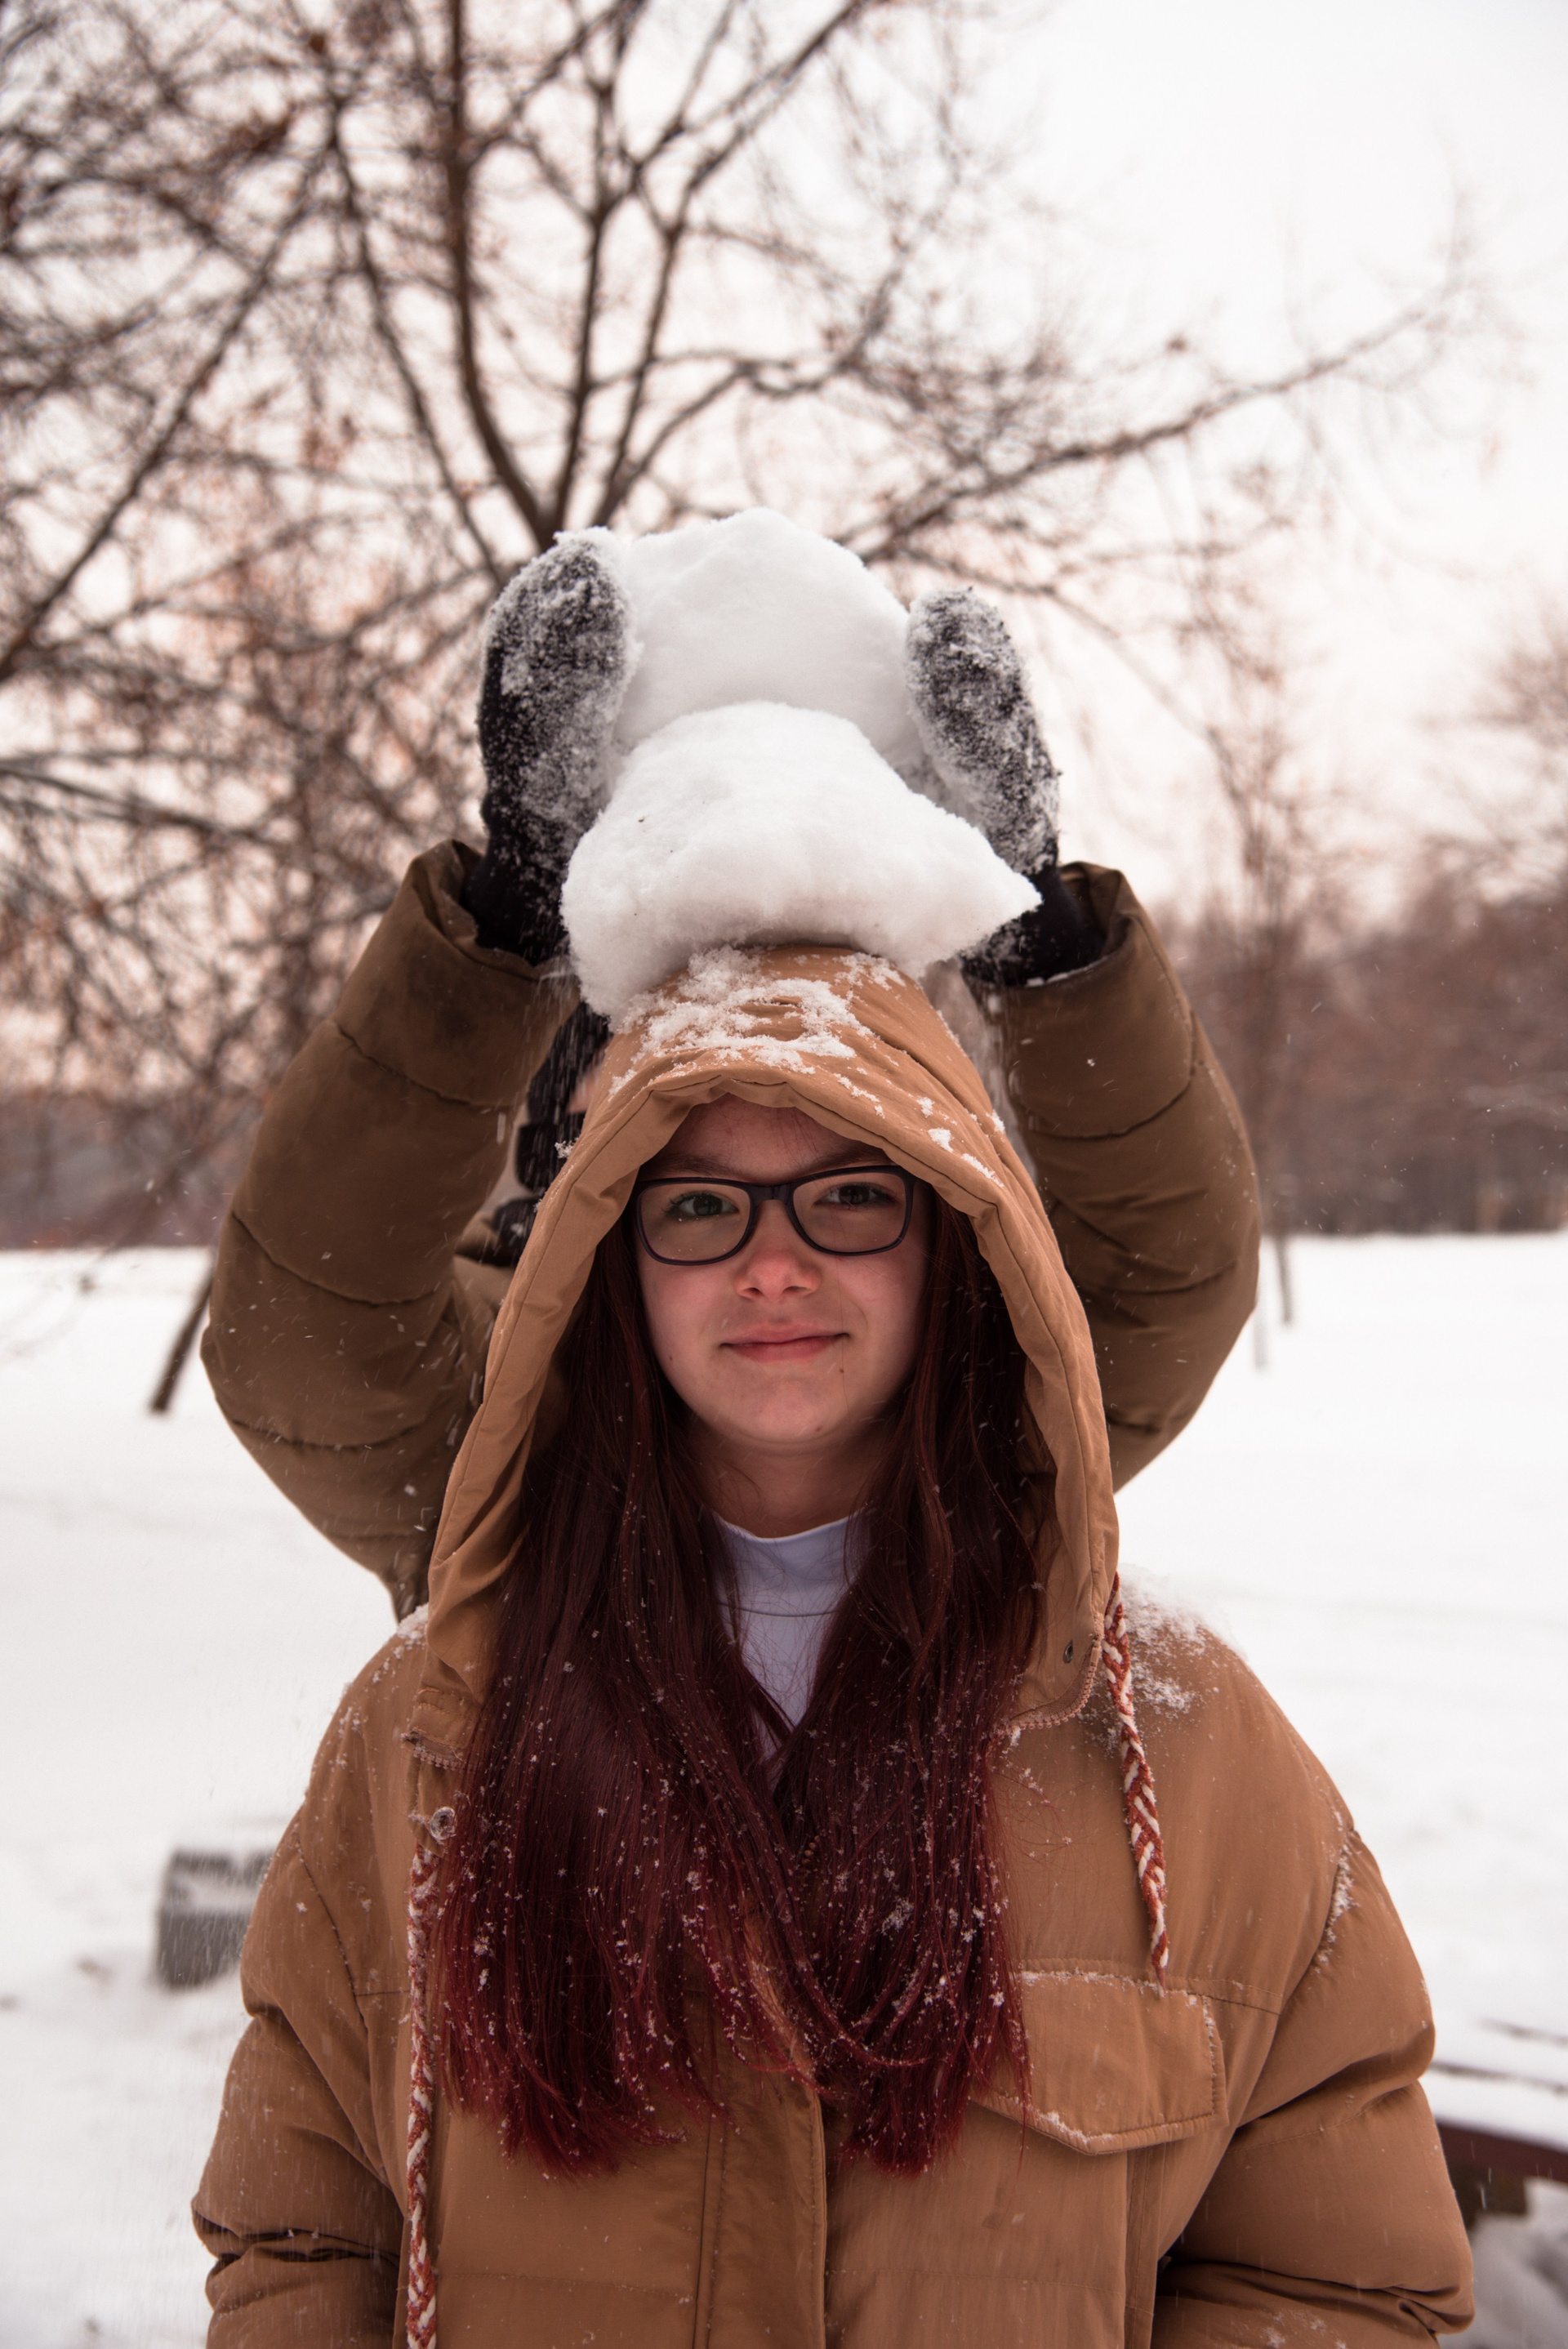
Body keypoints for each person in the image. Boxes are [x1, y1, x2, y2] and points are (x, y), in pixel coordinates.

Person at [194, 542, 1472, 2342]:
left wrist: (1041, 946)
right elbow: (308, 1325)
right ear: (599, 1219)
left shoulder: (1162, 1732)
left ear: (948, 1238)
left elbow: (1334, 2269)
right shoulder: (472, 1594)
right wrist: (505, 924)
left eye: (855, 1191)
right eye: (693, 1201)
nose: (775, 1263)